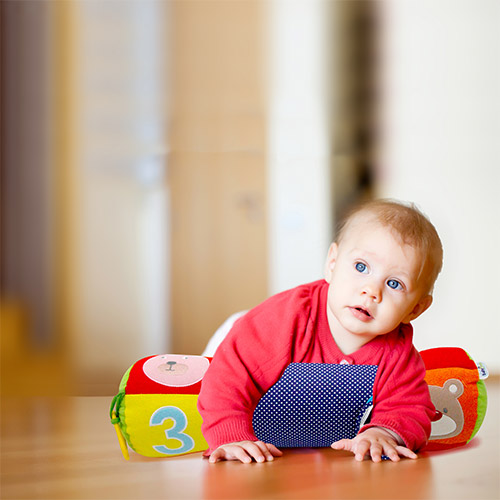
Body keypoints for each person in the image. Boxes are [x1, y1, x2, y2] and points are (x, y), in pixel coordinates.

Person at [198, 199, 443, 463]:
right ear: (332, 264)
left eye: (394, 283)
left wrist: (384, 432)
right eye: (361, 267)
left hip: (308, 424)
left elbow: (409, 407)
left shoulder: (398, 352)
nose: (372, 291)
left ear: (415, 309)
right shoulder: (284, 320)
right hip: (239, 338)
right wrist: (230, 435)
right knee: (206, 377)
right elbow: (229, 375)